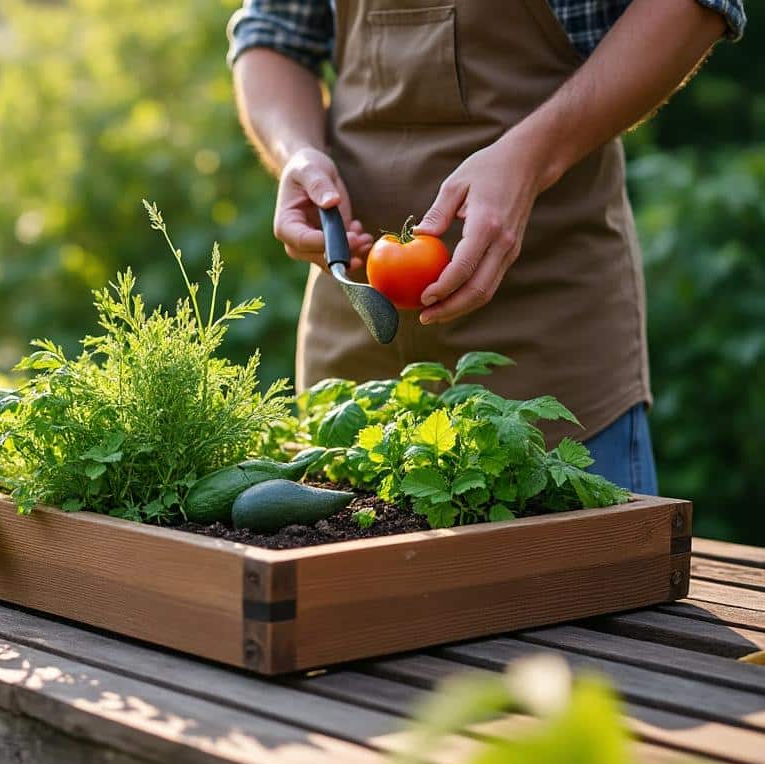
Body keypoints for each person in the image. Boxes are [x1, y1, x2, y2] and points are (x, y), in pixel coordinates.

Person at [229, 0, 745, 495]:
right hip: (351, 364)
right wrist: (296, 152)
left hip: (553, 363)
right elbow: (273, 35)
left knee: (582, 587)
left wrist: (531, 157)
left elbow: (694, 6)